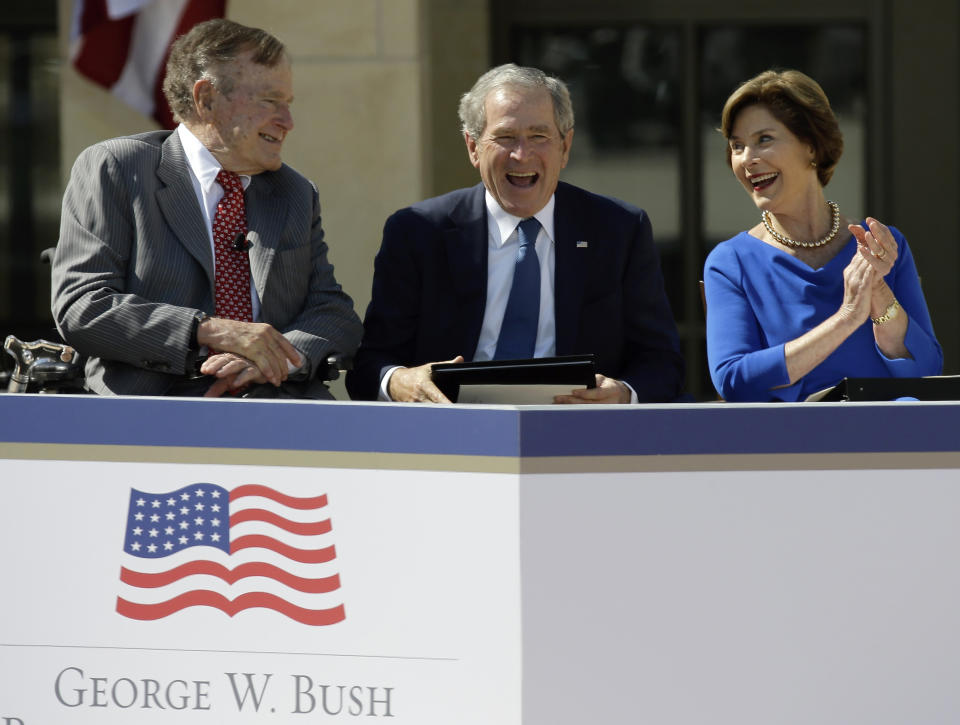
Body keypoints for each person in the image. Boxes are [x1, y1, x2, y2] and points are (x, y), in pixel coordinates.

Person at [52, 19, 362, 398]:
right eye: (269, 101)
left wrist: (274, 358)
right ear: (207, 99)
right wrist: (213, 330)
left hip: (280, 413)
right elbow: (83, 306)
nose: (287, 121)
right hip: (154, 416)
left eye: (288, 104)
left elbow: (332, 312)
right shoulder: (119, 168)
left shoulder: (294, 192)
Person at [345, 63, 684, 404]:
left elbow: (661, 362)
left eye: (539, 136)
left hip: (579, 433)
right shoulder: (418, 232)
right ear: (473, 147)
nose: (522, 155)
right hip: (454, 433)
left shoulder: (619, 230)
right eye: (505, 137)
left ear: (565, 146)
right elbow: (369, 366)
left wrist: (623, 394)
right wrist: (401, 381)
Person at [703, 69, 942, 402]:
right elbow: (733, 379)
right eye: (737, 146)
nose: (747, 160)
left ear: (811, 146)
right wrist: (845, 319)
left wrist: (878, 295)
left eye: (764, 140)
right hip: (792, 448)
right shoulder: (731, 263)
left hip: (888, 443)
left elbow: (926, 372)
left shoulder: (881, 245)